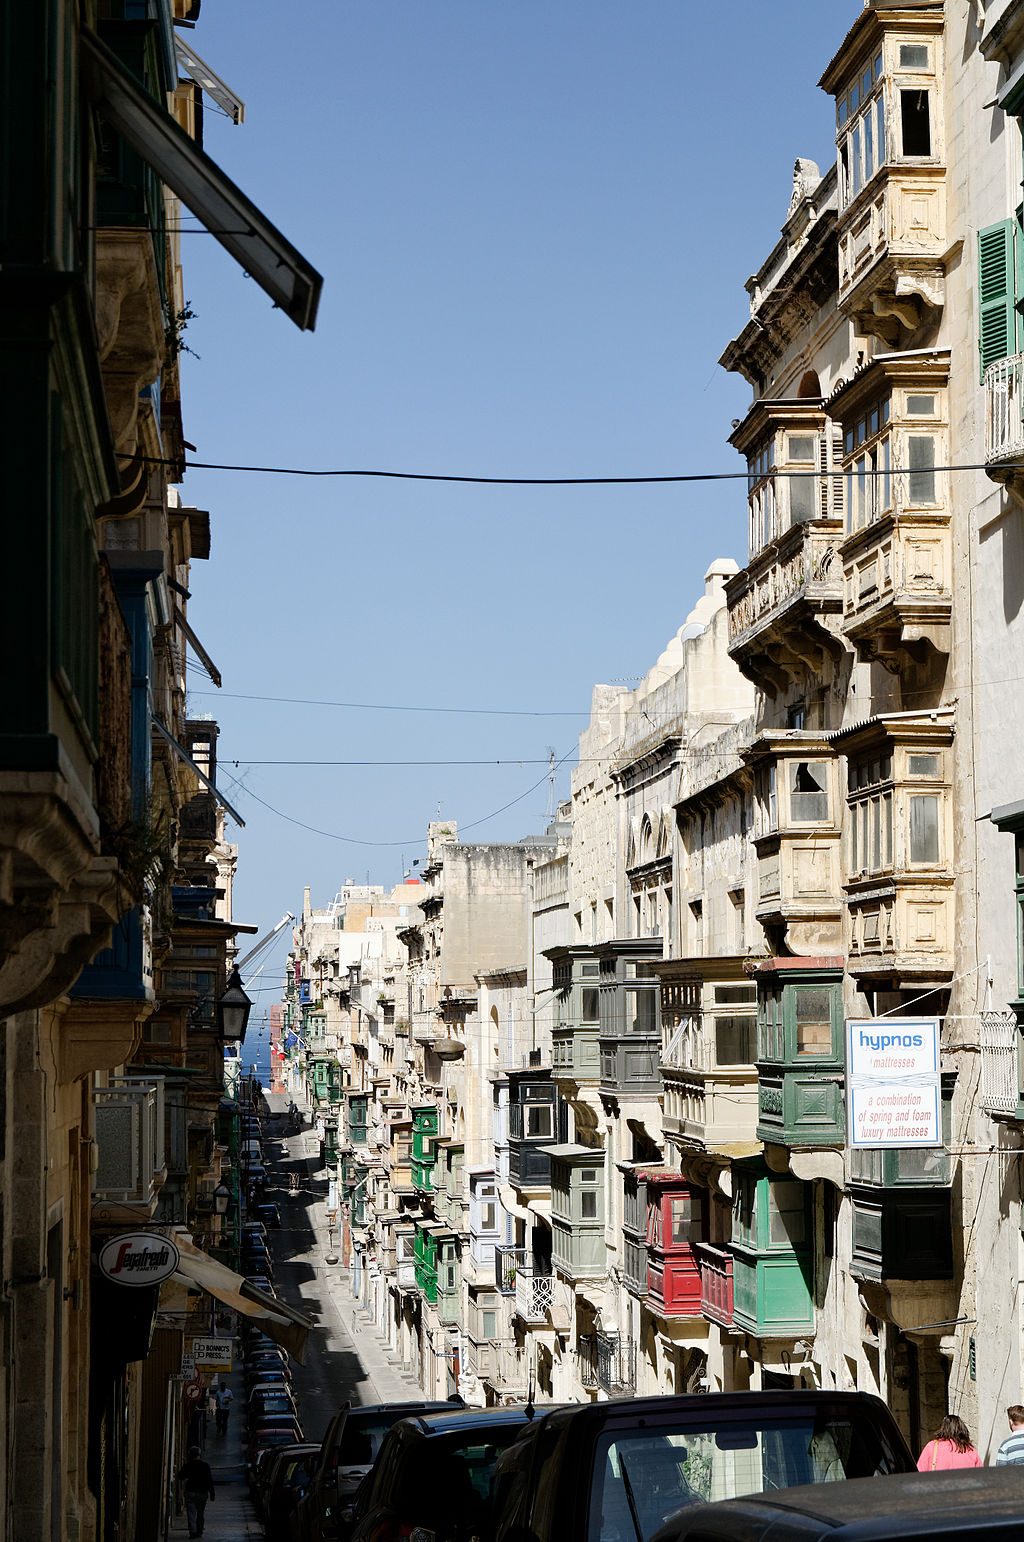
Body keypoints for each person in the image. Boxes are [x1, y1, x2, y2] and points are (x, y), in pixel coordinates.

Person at [917, 1414, 983, 1471]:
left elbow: (919, 1473)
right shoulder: (970, 1451)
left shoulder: (932, 1447)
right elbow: (980, 1477)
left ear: (943, 1428)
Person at [178, 1445, 215, 1537]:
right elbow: (209, 1480)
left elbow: (181, 1476)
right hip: (202, 1492)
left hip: (190, 1491)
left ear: (190, 1455)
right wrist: (212, 1493)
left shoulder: (188, 1465)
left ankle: (193, 1531)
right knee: (200, 1512)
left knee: (191, 1513)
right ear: (199, 1455)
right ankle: (199, 1530)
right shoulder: (205, 1466)